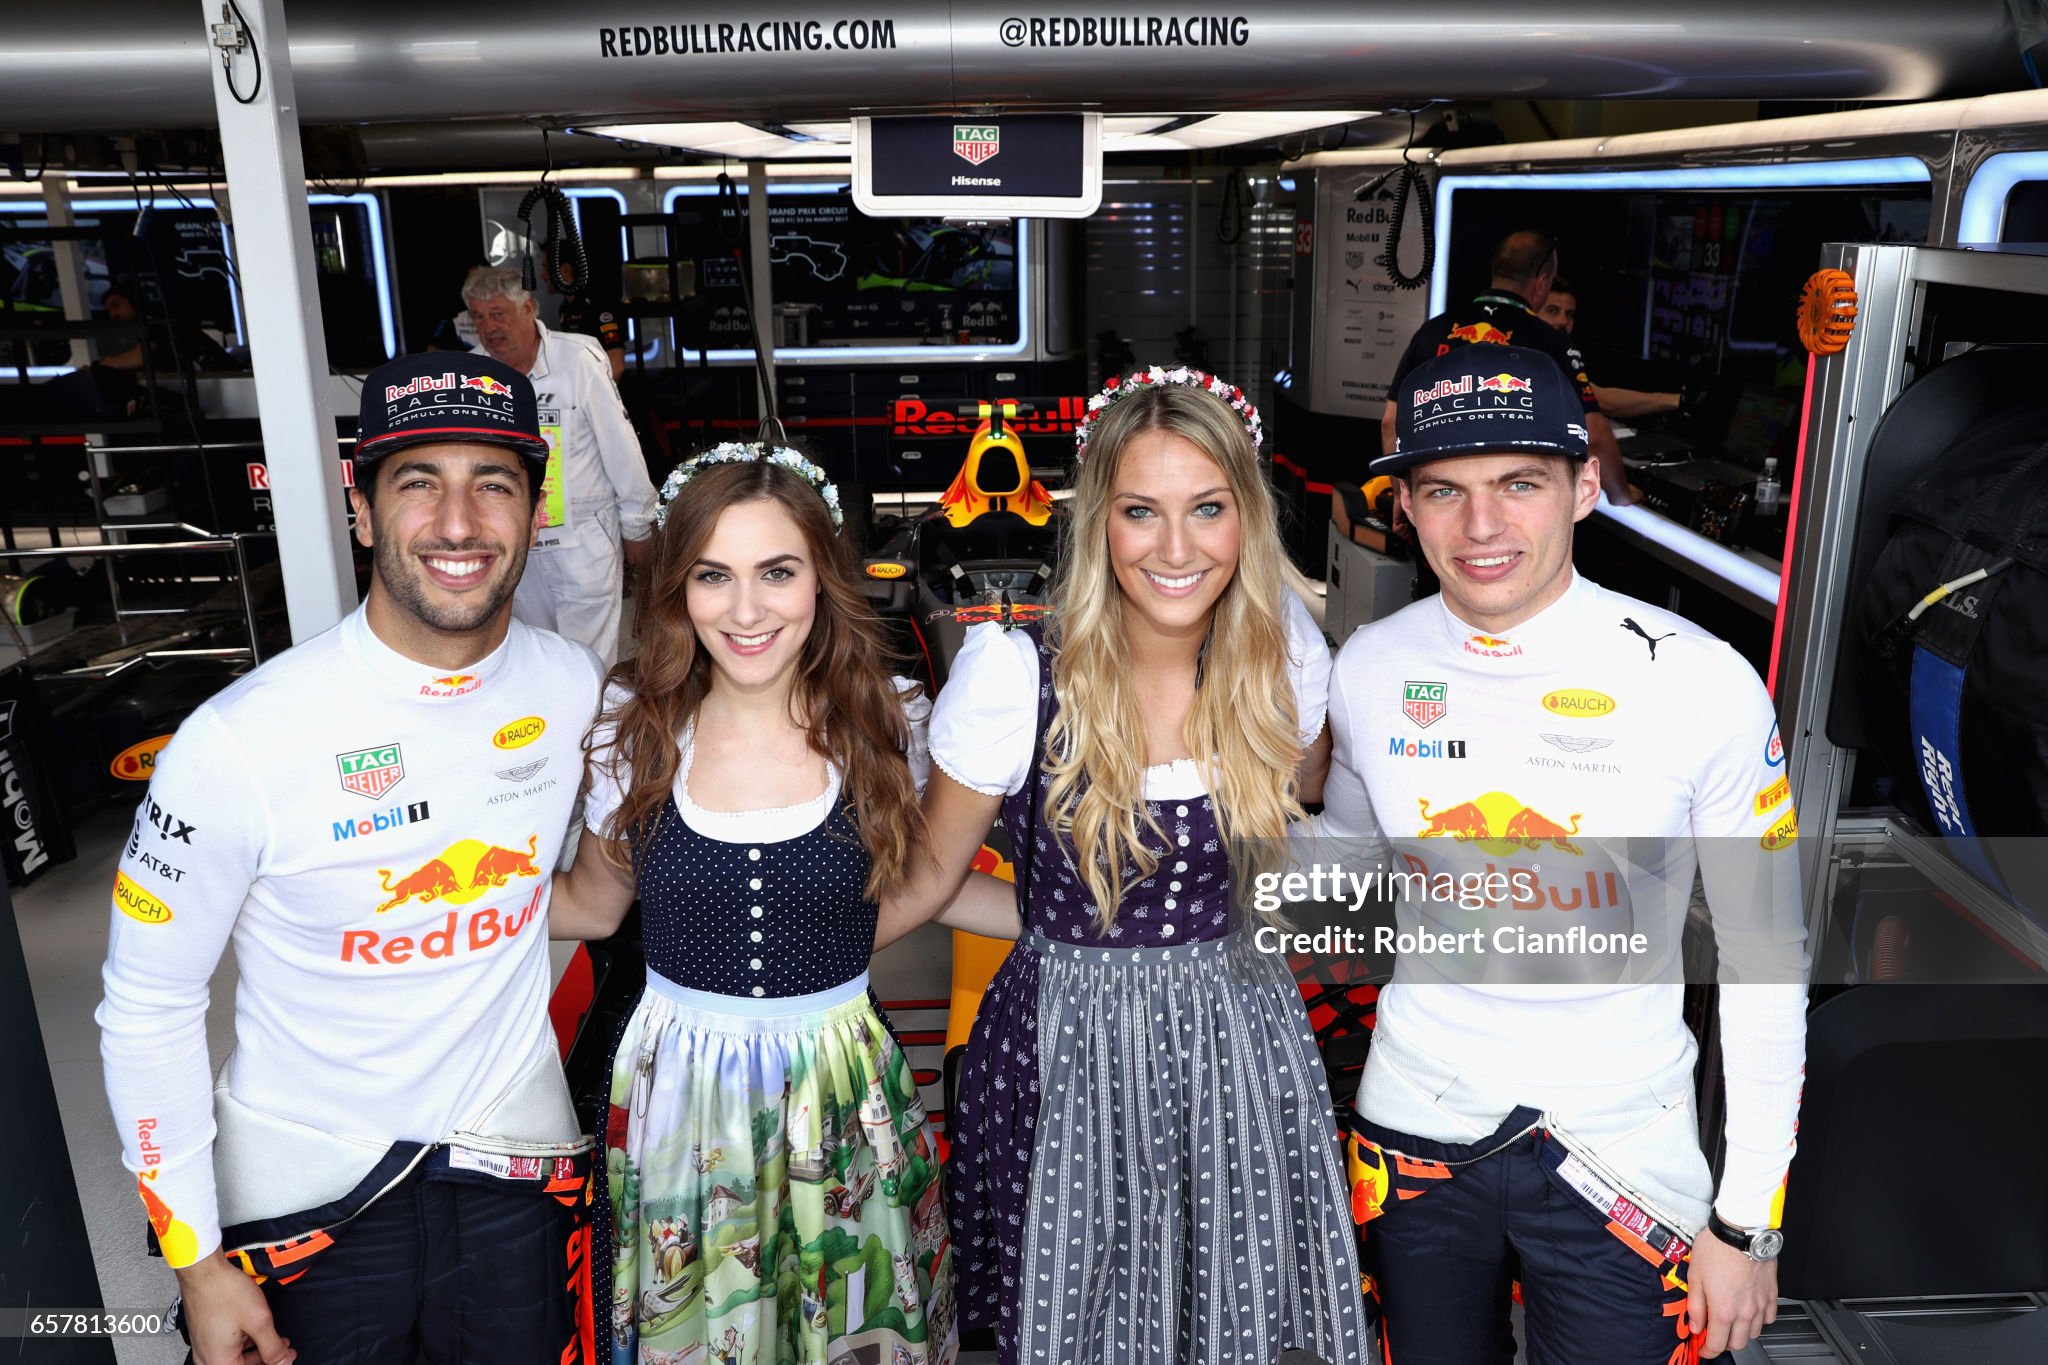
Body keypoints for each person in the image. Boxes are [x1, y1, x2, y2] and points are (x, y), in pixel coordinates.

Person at [98, 351, 608, 1365]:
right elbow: (145, 1008)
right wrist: (195, 1263)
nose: (458, 523)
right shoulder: (236, 742)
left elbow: (571, 905)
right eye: (419, 482)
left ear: (535, 507)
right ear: (364, 510)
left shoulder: (570, 687)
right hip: (309, 1193)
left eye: (492, 484)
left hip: (509, 1168)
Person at [1322, 343, 1808, 1362]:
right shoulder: (1365, 668)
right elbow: (1347, 870)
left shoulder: (1704, 683)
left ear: (1584, 485)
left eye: (1518, 484)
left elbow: (1767, 961)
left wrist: (1747, 1219)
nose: (1481, 525)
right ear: (1404, 507)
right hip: (1413, 1128)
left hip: (1624, 1151)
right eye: (1442, 491)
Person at [878, 367, 1372, 1365]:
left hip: (1236, 1042)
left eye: (1207, 510)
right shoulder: (1014, 671)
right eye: (1141, 512)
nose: (1176, 548)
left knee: (1231, 1310)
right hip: (1065, 1055)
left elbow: (1306, 814)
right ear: (1098, 519)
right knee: (1080, 1314)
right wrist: (759, 988)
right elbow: (925, 884)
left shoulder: (1282, 657)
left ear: (1247, 517)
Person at [549, 442, 1010, 1363]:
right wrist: (400, 906)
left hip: (839, 1080)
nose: (747, 609)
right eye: (714, 575)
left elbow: (933, 882)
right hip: (682, 1092)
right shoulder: (630, 732)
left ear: (822, 579)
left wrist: (1101, 923)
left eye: (778, 572)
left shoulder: (889, 721)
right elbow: (594, 907)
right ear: (677, 587)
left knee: (853, 1313)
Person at [466, 265, 657, 667]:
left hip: (584, 542)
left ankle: (590, 730)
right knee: (532, 660)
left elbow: (621, 448)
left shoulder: (578, 358)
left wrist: (638, 526)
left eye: (498, 314)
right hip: (514, 545)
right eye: (479, 317)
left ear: (528, 307)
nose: (489, 328)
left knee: (588, 665)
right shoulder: (471, 372)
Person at [1382, 230, 1633, 506]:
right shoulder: (1552, 342)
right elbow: (1594, 434)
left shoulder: (1432, 331)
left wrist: (1400, 496)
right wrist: (1622, 495)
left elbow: (1391, 423)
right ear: (1541, 283)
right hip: (1513, 506)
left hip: (1440, 500)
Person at [1538, 276, 1691, 424]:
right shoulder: (1527, 353)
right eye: (1552, 311)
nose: (1563, 321)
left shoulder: (1559, 356)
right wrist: (1678, 400)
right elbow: (1603, 401)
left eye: (1569, 315)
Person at [544, 243, 629, 383]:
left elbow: (616, 364)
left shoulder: (598, 304)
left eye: (545, 268)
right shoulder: (565, 307)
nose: (542, 275)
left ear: (564, 270)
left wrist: (599, 400)